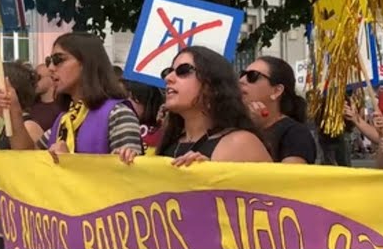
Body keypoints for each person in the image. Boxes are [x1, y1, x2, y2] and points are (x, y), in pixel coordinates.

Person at [0, 32, 143, 161]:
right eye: (49, 61)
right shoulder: (64, 120)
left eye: (59, 60)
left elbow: (130, 181)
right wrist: (13, 108)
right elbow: (28, 159)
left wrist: (70, 162)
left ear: (86, 63)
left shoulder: (118, 114)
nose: (51, 68)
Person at [118, 46, 273, 166]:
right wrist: (132, 165)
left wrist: (212, 174)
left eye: (183, 71)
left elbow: (276, 200)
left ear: (211, 85)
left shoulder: (241, 143)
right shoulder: (168, 143)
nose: (169, 78)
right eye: (168, 71)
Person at [239, 56, 317, 164]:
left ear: (276, 91)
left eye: (252, 76)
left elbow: (289, 178)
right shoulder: (236, 125)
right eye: (242, 74)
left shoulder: (295, 133)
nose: (242, 81)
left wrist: (256, 132)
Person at [122, 79, 165, 155]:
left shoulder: (164, 130)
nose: (126, 102)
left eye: (132, 98)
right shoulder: (120, 125)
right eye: (125, 97)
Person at [30, 63, 63, 131]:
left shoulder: (61, 108)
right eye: (32, 78)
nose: (34, 82)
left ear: (51, 78)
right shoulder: (30, 104)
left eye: (38, 77)